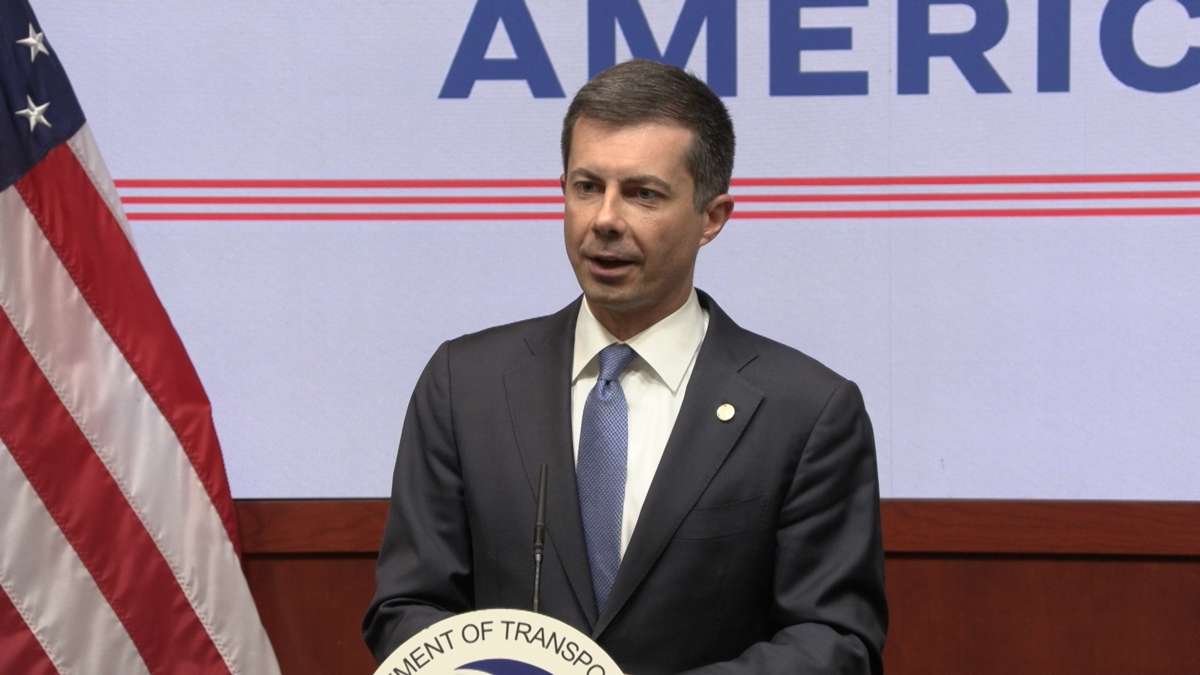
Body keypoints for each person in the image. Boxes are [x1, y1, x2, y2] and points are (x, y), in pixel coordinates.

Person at [363, 59, 887, 674]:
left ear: (712, 218)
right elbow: (409, 607)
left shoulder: (806, 411)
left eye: (643, 194)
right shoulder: (465, 384)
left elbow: (834, 640)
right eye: (587, 187)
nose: (605, 220)